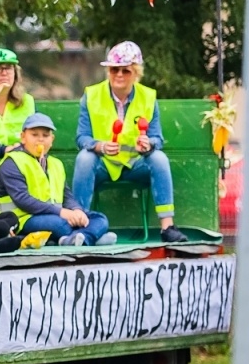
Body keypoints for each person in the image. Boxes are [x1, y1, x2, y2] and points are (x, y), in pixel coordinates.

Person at [72, 41, 187, 244]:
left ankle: (167, 227)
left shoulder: (148, 97)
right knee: (84, 158)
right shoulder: (91, 96)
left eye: (125, 71)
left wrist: (148, 144)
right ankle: (79, 223)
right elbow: (82, 138)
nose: (119, 75)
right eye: (114, 69)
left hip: (135, 164)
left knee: (159, 158)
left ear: (136, 73)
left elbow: (157, 138)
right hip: (103, 164)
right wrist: (99, 146)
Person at [0, 113, 116, 247]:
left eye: (45, 136)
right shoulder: (13, 162)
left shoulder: (55, 164)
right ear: (23, 137)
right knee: (60, 225)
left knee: (100, 219)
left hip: (51, 215)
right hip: (20, 219)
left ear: (52, 139)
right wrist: (62, 212)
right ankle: (90, 237)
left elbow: (67, 196)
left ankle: (79, 238)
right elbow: (23, 200)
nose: (40, 140)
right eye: (34, 135)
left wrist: (77, 210)